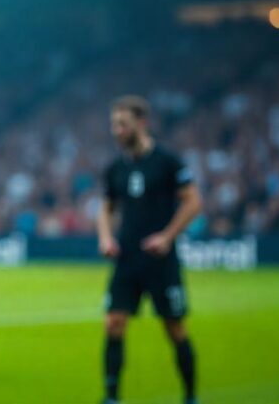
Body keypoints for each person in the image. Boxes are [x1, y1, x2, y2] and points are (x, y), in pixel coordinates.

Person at [96, 96, 202, 404]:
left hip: (160, 260)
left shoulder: (168, 162)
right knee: (113, 322)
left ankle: (190, 396)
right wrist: (105, 237)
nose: (116, 130)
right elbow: (105, 208)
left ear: (142, 123)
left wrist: (167, 236)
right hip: (126, 259)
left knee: (175, 329)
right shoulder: (116, 168)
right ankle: (111, 397)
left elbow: (193, 201)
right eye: (114, 124)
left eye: (122, 124)